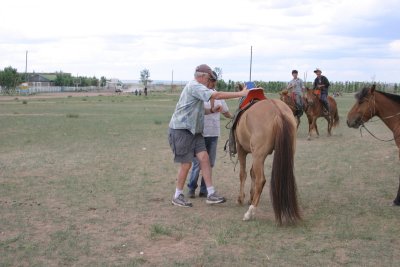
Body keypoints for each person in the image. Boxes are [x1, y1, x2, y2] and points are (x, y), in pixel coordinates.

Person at [168, 64, 256, 207]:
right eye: (209, 78)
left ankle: (210, 193)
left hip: (195, 131)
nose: (210, 81)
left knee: (204, 158)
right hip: (181, 129)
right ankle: (177, 196)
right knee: (187, 163)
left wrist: (211, 111)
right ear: (201, 76)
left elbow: (198, 110)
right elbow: (216, 95)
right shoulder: (195, 86)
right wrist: (241, 94)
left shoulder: (198, 88)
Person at [187, 71, 233, 198]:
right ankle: (191, 187)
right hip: (200, 133)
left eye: (214, 81)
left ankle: (204, 189)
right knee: (197, 163)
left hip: (213, 134)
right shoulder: (200, 93)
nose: (213, 84)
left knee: (210, 163)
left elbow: (226, 112)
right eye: (211, 81)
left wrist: (235, 118)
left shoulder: (219, 96)